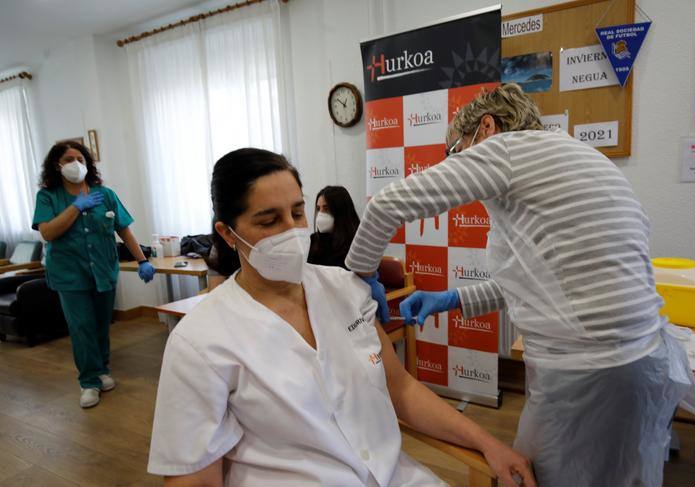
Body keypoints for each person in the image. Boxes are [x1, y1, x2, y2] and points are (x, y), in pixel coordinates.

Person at [345, 83, 695, 487]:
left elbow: (384, 206)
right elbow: (547, 281)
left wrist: (362, 274)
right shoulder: (584, 158)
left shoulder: (507, 150)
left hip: (588, 371)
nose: (461, 163)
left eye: (457, 152)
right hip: (643, 364)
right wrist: (454, 299)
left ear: (485, 127)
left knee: (535, 477)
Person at [147, 148, 535, 487]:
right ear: (228, 234)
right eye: (269, 221)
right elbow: (195, 479)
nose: (292, 231)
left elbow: (400, 388)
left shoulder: (344, 290)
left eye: (298, 212)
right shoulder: (200, 342)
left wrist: (488, 442)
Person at [32, 140, 155, 409]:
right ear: (57, 165)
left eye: (80, 158)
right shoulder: (48, 197)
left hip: (103, 269)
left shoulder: (105, 194)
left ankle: (101, 369)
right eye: (68, 159)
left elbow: (123, 230)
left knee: (101, 324)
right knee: (81, 327)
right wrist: (76, 207)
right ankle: (88, 382)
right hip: (69, 274)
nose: (75, 163)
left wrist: (142, 260)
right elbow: (48, 232)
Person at [307, 185, 360, 269]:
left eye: (326, 209)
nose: (320, 214)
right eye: (318, 209)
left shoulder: (357, 243)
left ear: (341, 211)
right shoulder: (314, 241)